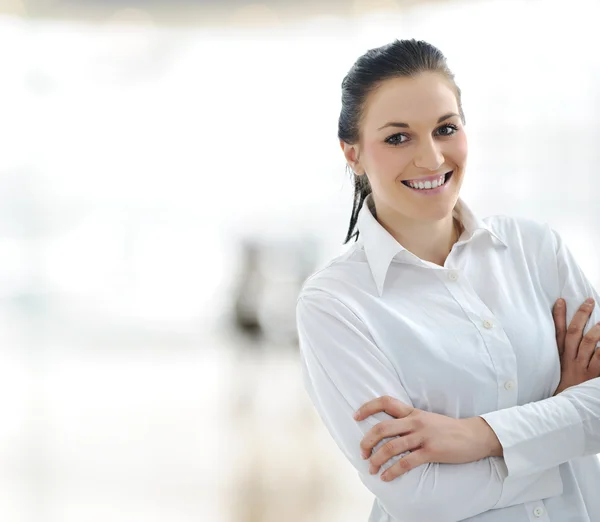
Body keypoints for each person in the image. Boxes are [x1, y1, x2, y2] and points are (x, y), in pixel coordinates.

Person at [295, 39, 600, 522]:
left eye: (445, 128)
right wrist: (564, 423)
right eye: (398, 137)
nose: (432, 159)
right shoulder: (336, 302)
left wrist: (476, 436)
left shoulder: (535, 249)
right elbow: (421, 495)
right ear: (352, 154)